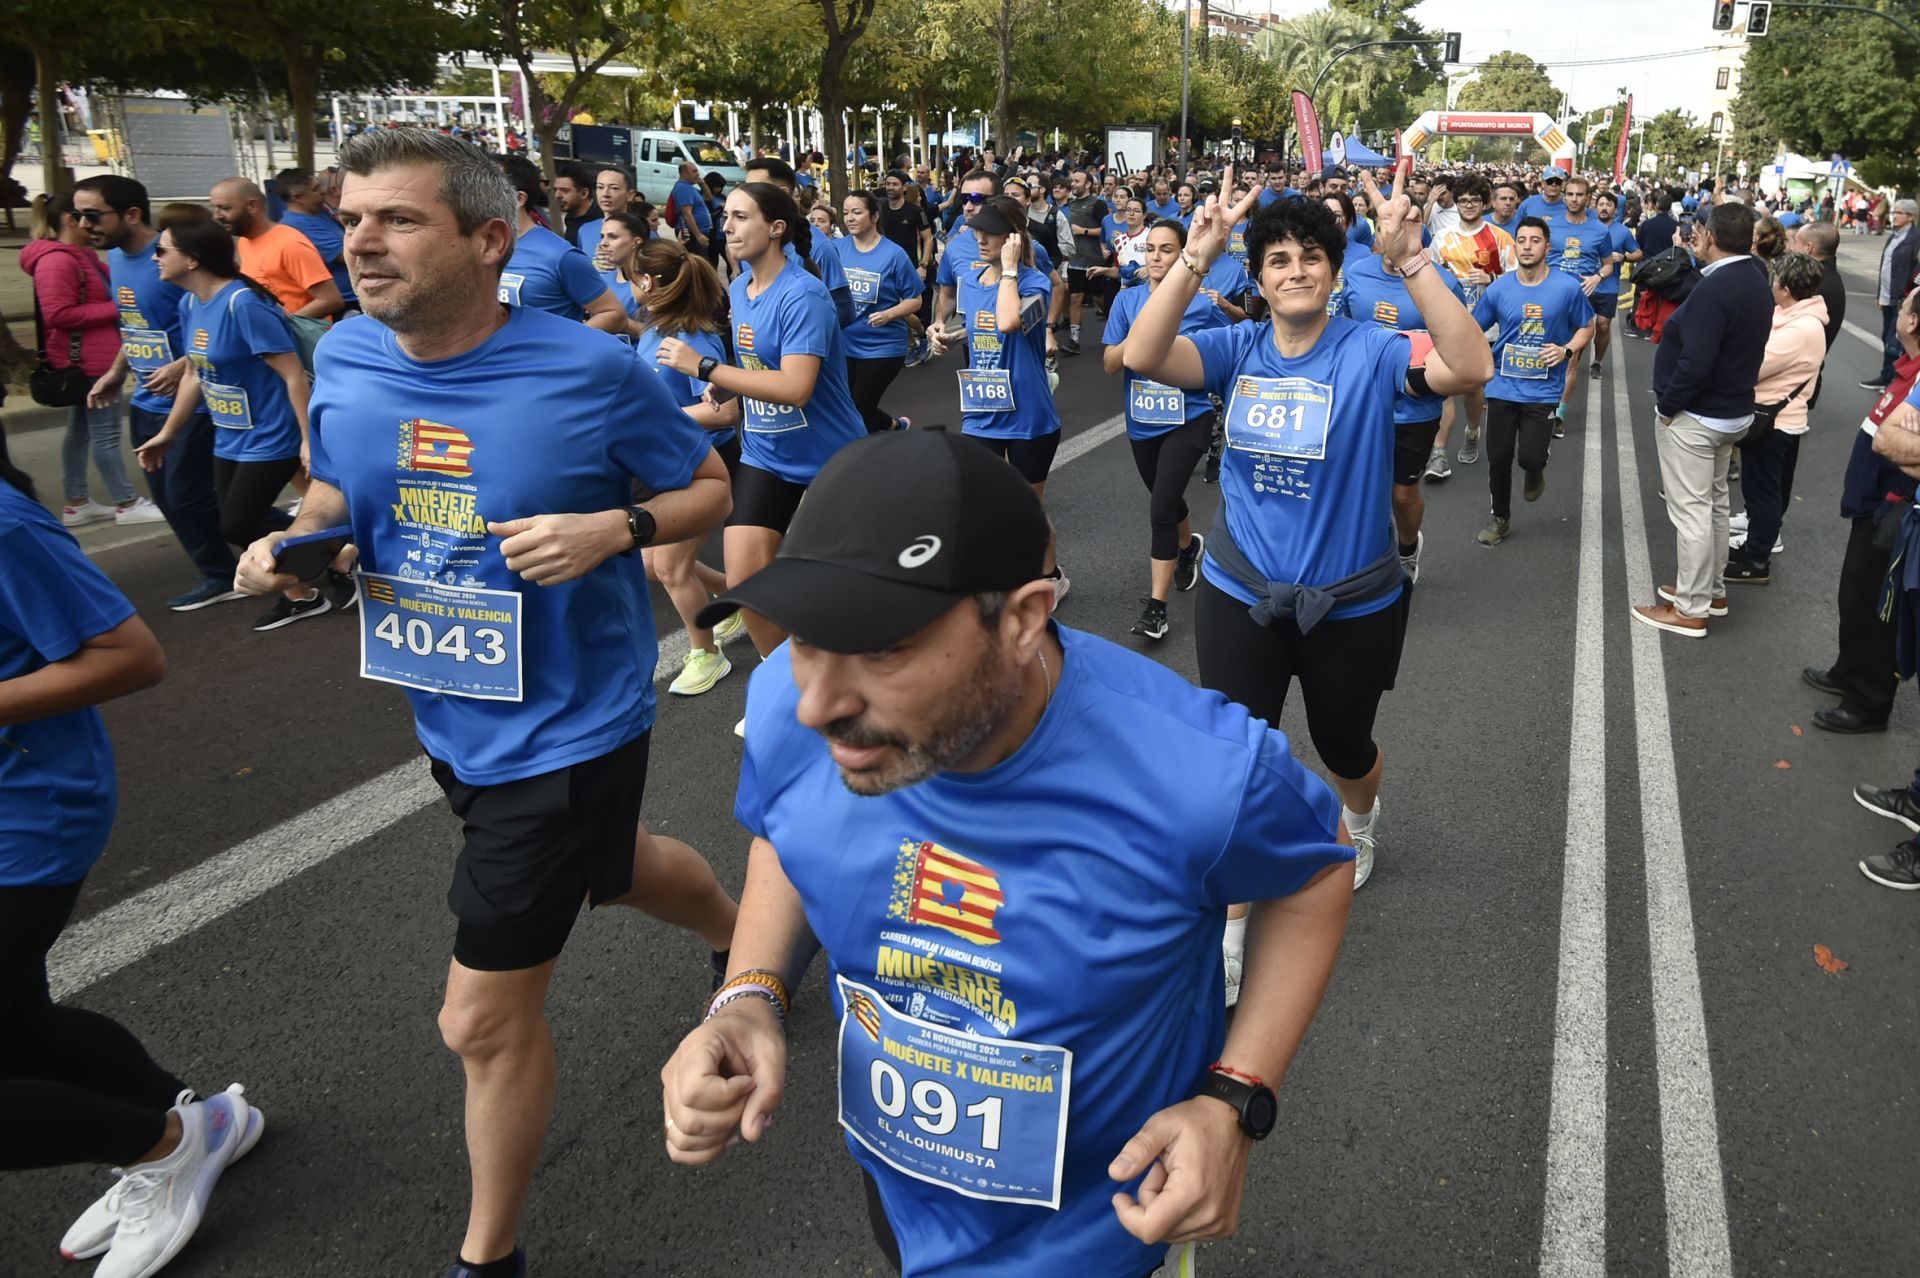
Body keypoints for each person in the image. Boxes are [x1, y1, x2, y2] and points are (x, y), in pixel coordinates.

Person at [662, 427, 1355, 1278]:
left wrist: (1234, 1096)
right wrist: (749, 994)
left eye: (883, 647)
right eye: (807, 637)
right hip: (902, 1195)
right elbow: (789, 828)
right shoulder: (790, 703)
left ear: (1024, 619)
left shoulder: (1196, 771)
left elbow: (1321, 865)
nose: (820, 706)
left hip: (1107, 1236)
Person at [234, 127, 735, 1278]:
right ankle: (749, 940)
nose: (359, 240)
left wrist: (614, 528)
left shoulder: (590, 370)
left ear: (490, 238)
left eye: (397, 219)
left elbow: (703, 484)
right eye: (352, 216)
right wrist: (299, 543)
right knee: (618, 869)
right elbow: (335, 489)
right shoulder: (353, 356)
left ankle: (488, 1258)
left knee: (479, 1020)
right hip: (449, 705)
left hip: (572, 724)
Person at [1124, 165, 1491, 895]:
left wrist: (1410, 258)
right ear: (1258, 281)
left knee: (1342, 745)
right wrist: (1199, 254)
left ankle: (1359, 823)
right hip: (1241, 591)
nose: (1297, 271)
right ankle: (1232, 922)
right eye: (1278, 261)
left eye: (1312, 256)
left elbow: (1471, 364)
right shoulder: (1237, 350)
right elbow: (1141, 355)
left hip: (1351, 603)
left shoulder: (1374, 350)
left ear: (1334, 269)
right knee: (1237, 752)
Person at [0, 430, 266, 1278]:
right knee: (19, 1026)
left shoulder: (5, 527)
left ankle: (162, 1145)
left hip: (25, 816)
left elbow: (130, 655)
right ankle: (196, 1124)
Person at [655, 180, 865, 686]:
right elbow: (758, 365)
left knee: (844, 589)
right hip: (767, 455)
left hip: (830, 458)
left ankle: (870, 681)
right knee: (747, 585)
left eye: (740, 217)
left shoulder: (803, 294)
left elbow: (795, 387)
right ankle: (787, 688)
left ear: (775, 228)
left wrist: (706, 368)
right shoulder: (743, 290)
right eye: (725, 216)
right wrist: (727, 387)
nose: (726, 226)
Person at [131, 218, 329, 632]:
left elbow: (293, 375)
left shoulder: (244, 304)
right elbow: (194, 375)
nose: (154, 257)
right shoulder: (190, 304)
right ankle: (307, 588)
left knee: (236, 523)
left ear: (192, 258)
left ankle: (333, 547)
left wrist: (308, 441)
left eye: (162, 250)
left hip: (273, 434)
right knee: (235, 515)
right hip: (230, 436)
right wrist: (168, 433)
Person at [73, 179, 240, 610]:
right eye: (77, 215)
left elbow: (216, 320)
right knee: (170, 498)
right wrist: (115, 372)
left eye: (93, 215)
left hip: (192, 401)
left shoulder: (175, 261)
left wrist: (183, 364)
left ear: (130, 214)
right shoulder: (115, 258)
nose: (82, 224)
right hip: (145, 401)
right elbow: (137, 326)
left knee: (193, 496)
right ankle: (219, 572)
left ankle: (300, 542)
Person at [1632, 202, 1772, 638]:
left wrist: (1668, 406)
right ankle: (1709, 590)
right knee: (1713, 504)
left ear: (1709, 236)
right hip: (1731, 410)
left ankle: (1692, 608)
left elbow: (1696, 361)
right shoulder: (1754, 276)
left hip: (1699, 413)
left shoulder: (1718, 287)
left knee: (1691, 511)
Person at [927, 196, 1069, 602]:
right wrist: (949, 336)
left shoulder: (1034, 282)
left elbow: (1008, 322)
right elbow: (980, 325)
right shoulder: (972, 282)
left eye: (990, 233)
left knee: (1028, 509)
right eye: (977, 231)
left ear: (1012, 238)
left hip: (1029, 415)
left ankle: (1051, 576)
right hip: (982, 412)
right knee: (982, 498)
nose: (980, 239)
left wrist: (1009, 270)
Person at [626, 237, 748, 697]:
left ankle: (707, 655)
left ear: (649, 281)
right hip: (661, 464)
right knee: (653, 565)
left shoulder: (697, 340)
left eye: (631, 275)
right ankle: (730, 599)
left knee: (672, 567)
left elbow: (724, 413)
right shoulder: (654, 327)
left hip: (703, 465)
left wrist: (658, 419)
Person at [1103, 217, 1223, 640]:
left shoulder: (1202, 305)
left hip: (1188, 418)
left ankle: (1156, 609)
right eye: (1150, 249)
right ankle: (1188, 548)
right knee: (1166, 500)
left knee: (1159, 510)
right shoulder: (1127, 301)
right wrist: (1142, 335)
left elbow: (1221, 362)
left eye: (1166, 249)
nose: (1155, 257)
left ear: (1182, 254)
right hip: (1142, 420)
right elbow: (1110, 364)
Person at [1337, 201, 1469, 583]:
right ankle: (1361, 560)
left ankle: (1408, 547)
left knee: (1401, 495)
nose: (1393, 232)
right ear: (1377, 232)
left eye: (1405, 225)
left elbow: (1461, 345)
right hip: (1359, 403)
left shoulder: (1442, 282)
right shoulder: (1357, 274)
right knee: (1355, 488)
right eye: (1386, 225)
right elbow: (1341, 328)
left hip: (1413, 409)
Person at [21, 194, 165, 529]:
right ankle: (126, 502)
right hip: (89, 360)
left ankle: (77, 502)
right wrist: (122, 308)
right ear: (71, 220)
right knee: (105, 433)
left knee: (82, 431)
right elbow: (58, 313)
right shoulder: (58, 260)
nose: (92, 224)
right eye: (87, 216)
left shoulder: (77, 255)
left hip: (90, 355)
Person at [1470, 217, 1595, 547]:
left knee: (1530, 457)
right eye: (1521, 240)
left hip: (1543, 390)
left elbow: (1587, 326)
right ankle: (1501, 518)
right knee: (1497, 457)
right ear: (1515, 246)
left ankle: (1536, 469)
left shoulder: (1567, 288)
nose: (1527, 246)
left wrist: (1567, 349)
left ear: (1547, 247)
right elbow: (1473, 330)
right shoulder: (1499, 288)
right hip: (1502, 387)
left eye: (1534, 240)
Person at [1723, 252, 1829, 586]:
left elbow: (1753, 366)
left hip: (1775, 422)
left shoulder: (1801, 329)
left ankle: (1756, 560)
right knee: (1763, 490)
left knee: (1763, 494)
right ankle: (1756, 546)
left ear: (1783, 287)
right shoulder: (1792, 316)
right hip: (1777, 418)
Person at [1429, 174, 1516, 467]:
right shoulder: (1443, 238)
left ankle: (1472, 430)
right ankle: (1439, 452)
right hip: (1447, 323)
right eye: (1463, 200)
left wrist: (1492, 278)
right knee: (1443, 385)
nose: (1468, 205)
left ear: (1485, 203)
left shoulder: (1500, 238)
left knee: (1472, 388)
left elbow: (1518, 281)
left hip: (1484, 326)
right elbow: (1429, 277)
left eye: (1474, 200)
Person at [494, 154, 626, 332]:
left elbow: (613, 314)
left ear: (518, 199)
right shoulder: (479, 248)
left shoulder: (559, 255)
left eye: (488, 187)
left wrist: (559, 347)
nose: (477, 194)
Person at [838, 189, 922, 435]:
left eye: (856, 212)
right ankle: (894, 426)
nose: (850, 218)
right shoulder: (836, 249)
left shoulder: (893, 254)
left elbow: (914, 300)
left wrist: (889, 314)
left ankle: (869, 462)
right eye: (845, 213)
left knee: (859, 407)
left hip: (882, 346)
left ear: (874, 216)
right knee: (849, 406)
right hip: (845, 343)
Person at [207, 178, 343, 320]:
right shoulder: (244, 243)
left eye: (225, 208)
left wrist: (284, 326)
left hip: (303, 339)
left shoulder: (290, 243)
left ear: (252, 206)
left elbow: (330, 299)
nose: (217, 215)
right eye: (215, 208)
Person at [744, 157, 854, 326]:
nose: (746, 195)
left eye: (755, 189)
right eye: (746, 188)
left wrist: (796, 325)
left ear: (783, 192)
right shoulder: (750, 244)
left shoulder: (818, 246)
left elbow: (844, 313)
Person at [277, 168, 358, 318]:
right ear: (298, 197)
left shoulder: (319, 214)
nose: (322, 192)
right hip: (347, 303)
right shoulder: (299, 225)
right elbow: (350, 254)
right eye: (315, 189)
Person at [1865, 199, 1918, 390]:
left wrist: (1910, 299)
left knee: (1896, 341)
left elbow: (1914, 272)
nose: (1894, 216)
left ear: (1911, 217)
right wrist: (1880, 294)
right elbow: (1885, 266)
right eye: (1894, 212)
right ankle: (1886, 376)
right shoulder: (1894, 236)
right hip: (1888, 297)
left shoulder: (1915, 239)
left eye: (1900, 213)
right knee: (1887, 338)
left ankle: (1898, 381)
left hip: (1903, 300)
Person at [1588, 190, 1641, 373]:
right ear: (1596, 207)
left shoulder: (1622, 231)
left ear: (1615, 209)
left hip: (1609, 287)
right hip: (1585, 285)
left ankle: (1597, 361)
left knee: (1603, 325)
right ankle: (1572, 360)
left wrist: (1624, 256)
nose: (1604, 208)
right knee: (1579, 326)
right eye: (1601, 204)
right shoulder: (1587, 227)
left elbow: (1638, 253)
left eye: (1608, 205)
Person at [670, 160, 713, 257]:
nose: (697, 174)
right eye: (693, 172)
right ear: (684, 173)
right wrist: (698, 235)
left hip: (701, 231)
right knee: (698, 261)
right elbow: (687, 213)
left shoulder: (690, 188)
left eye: (697, 171)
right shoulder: (683, 188)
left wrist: (702, 184)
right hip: (693, 233)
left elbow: (708, 198)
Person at [550, 162, 598, 246]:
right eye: (555, 190)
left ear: (584, 193)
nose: (557, 195)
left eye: (564, 190)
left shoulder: (601, 222)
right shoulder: (570, 218)